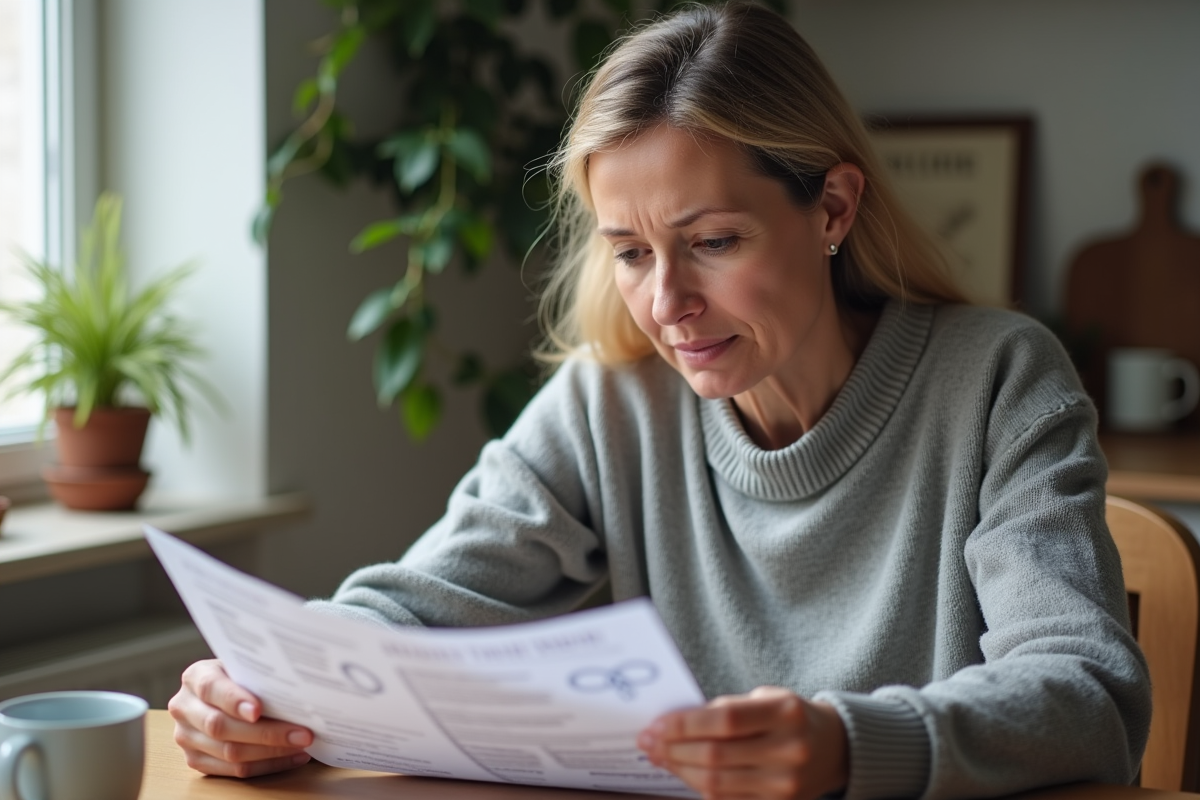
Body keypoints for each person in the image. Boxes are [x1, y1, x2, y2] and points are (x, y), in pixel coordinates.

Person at [168, 3, 1151, 799]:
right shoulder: (611, 403)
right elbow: (411, 606)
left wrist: (847, 747)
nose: (667, 303)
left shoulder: (998, 379)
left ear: (834, 208)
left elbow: (1087, 692)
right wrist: (266, 685)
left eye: (713, 242)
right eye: (632, 253)